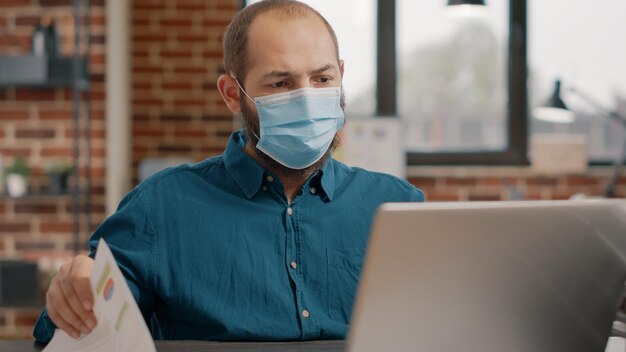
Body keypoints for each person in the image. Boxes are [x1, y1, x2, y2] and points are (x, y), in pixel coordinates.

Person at [33, 0, 424, 343]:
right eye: (281, 83)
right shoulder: (161, 207)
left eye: (322, 79)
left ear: (341, 75)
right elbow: (77, 327)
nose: (307, 98)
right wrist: (73, 291)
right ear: (232, 94)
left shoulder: (399, 207)